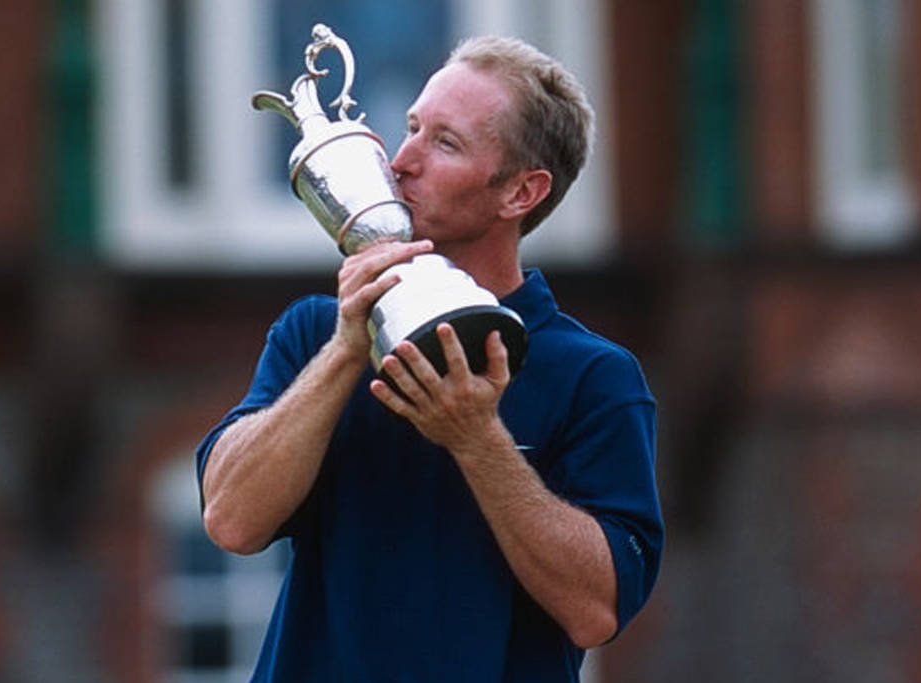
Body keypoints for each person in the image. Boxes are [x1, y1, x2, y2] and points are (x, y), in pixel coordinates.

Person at [196, 35, 663, 683]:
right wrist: (345, 352)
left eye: (445, 143)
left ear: (521, 193)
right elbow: (230, 519)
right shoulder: (314, 332)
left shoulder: (595, 376)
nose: (402, 159)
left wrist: (478, 441)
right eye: (411, 127)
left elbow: (596, 610)